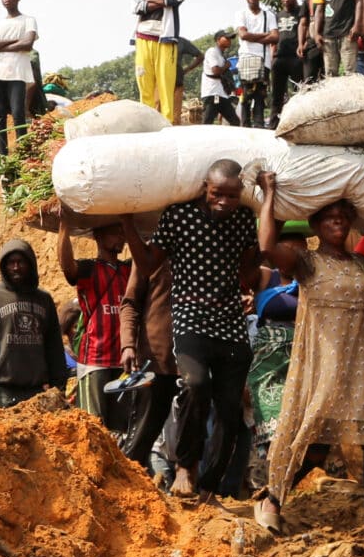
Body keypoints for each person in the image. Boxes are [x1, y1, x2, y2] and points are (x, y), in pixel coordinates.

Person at [254, 180, 364, 538]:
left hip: (362, 365)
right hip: (320, 365)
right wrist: (269, 196)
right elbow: (267, 246)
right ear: (315, 226)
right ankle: (271, 499)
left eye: (343, 217)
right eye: (329, 218)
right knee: (309, 441)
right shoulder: (307, 262)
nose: (338, 223)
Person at [121, 159, 260, 498]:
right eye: (217, 194)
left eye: (231, 195)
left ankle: (210, 485)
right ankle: (185, 466)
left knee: (230, 409)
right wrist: (126, 222)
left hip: (229, 320)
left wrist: (270, 206)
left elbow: (249, 272)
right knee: (196, 385)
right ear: (204, 188)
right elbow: (150, 263)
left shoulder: (243, 218)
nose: (224, 202)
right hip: (189, 317)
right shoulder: (178, 216)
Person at [0, 239, 68, 407]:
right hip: (2, 392)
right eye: (11, 263)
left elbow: (54, 346)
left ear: (30, 264)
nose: (15, 267)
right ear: (4, 266)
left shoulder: (44, 300)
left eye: (20, 262)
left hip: (37, 391)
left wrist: (59, 384)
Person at [245, 224, 307, 484]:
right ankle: (264, 481)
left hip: (303, 357)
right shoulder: (264, 276)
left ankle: (288, 484)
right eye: (288, 249)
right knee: (270, 419)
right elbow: (243, 269)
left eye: (300, 250)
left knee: (299, 421)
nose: (294, 254)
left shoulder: (311, 281)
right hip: (268, 362)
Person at [57, 216, 130, 423]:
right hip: (95, 361)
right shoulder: (90, 269)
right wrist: (64, 224)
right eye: (114, 232)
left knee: (120, 428)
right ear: (98, 236)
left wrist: (129, 225)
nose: (121, 237)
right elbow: (67, 266)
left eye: (121, 232)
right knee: (93, 426)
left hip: (124, 361)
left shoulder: (128, 270)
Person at [119, 254, 176, 473]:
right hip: (156, 360)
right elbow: (130, 303)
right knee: (144, 432)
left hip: (195, 357)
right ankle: (127, 487)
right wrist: (128, 345)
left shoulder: (204, 250)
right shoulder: (149, 253)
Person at [132, 0, 188, 123]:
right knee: (144, 84)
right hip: (143, 37)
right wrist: (161, 1)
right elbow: (137, 6)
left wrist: (148, 0)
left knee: (165, 85)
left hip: (165, 38)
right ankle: (147, 124)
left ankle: (167, 124)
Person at [0, 0, 39, 157]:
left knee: (18, 113)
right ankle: (3, 155)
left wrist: (0, 46)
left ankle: (23, 153)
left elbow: (28, 43)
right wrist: (15, 42)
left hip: (18, 73)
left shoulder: (28, 20)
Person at [311, 0, 363, 77]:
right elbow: (319, 10)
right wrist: (317, 33)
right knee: (330, 73)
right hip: (328, 34)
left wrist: (357, 25)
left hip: (348, 32)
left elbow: (359, 2)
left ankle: (352, 97)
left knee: (350, 72)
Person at [235, 0, 278, 128]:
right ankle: (245, 125)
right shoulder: (241, 14)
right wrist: (265, 35)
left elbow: (275, 37)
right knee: (246, 95)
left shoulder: (269, 15)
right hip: (246, 58)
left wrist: (252, 36)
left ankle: (259, 125)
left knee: (260, 95)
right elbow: (243, 35)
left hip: (263, 60)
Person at [270, 0, 305, 125]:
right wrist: (272, 58)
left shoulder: (302, 12)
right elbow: (273, 40)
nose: (286, 0)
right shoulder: (276, 16)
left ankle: (300, 121)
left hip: (296, 58)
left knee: (299, 92)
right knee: (276, 95)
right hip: (279, 58)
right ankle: (273, 124)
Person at [201, 31, 239, 127]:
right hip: (212, 94)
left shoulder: (221, 56)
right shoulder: (212, 51)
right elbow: (216, 71)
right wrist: (226, 66)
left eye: (230, 38)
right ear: (218, 40)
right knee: (207, 123)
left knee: (235, 121)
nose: (229, 40)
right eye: (226, 38)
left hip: (221, 95)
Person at [299, 0, 325, 83]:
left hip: (327, 39)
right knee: (309, 78)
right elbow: (303, 23)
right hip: (311, 41)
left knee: (326, 76)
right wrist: (301, 43)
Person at [172, 35, 204, 122]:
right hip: (162, 81)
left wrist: (186, 69)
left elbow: (200, 56)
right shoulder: (180, 41)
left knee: (175, 115)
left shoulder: (180, 41)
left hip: (176, 81)